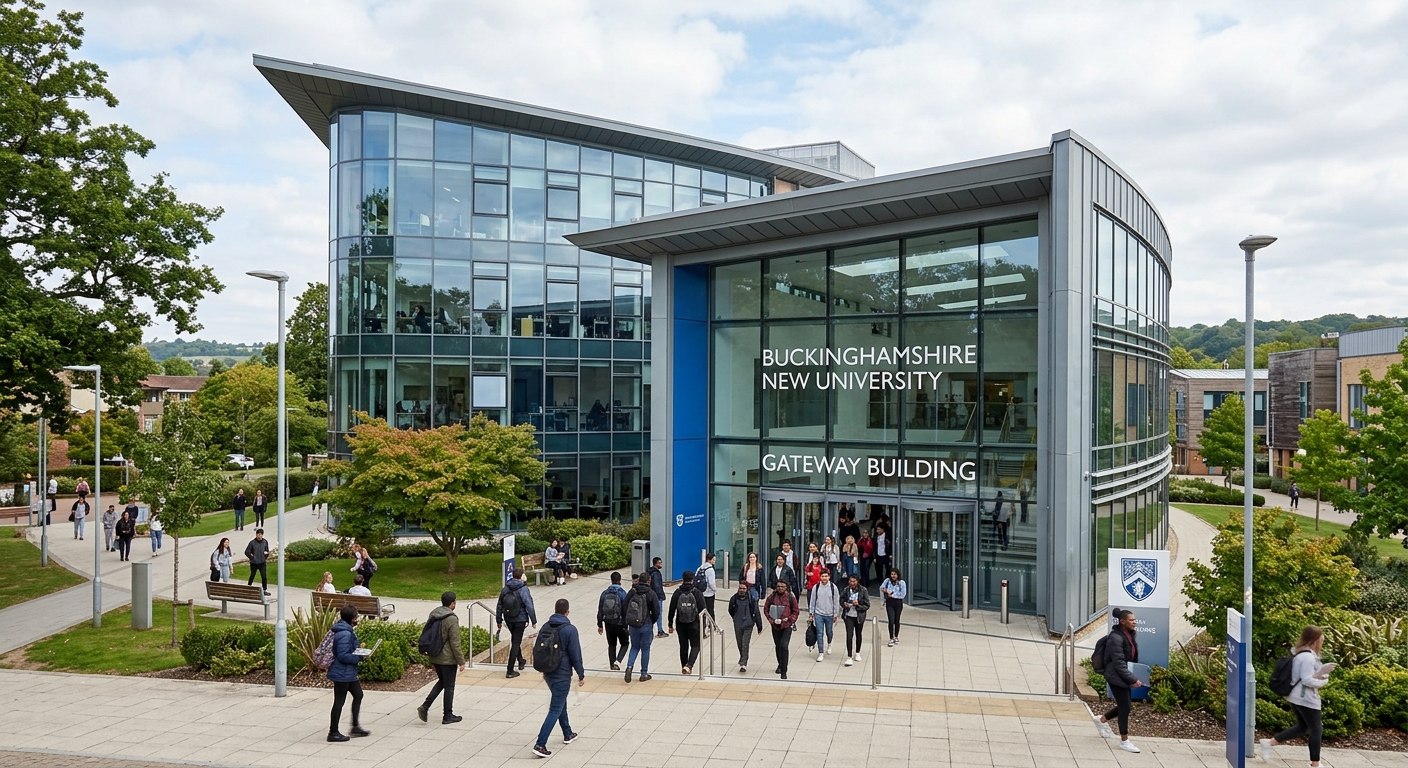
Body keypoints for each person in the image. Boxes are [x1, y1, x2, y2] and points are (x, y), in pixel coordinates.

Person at [1263, 625, 1333, 767]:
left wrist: (1320, 673)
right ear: (1315, 640)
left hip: (1295, 696)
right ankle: (1315, 763)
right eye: (1321, 640)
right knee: (1316, 729)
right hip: (1305, 698)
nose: (1322, 643)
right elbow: (1307, 680)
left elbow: (1305, 676)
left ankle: (1270, 742)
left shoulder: (1300, 653)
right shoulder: (1308, 657)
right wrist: (1323, 680)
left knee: (1302, 727)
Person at [531, 599, 584, 759]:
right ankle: (540, 744)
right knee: (555, 708)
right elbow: (576, 655)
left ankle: (568, 733)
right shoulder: (570, 630)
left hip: (548, 672)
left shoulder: (546, 626)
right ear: (567, 611)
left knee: (560, 702)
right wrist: (581, 674)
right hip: (562, 674)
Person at [1095, 608, 1144, 753]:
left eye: (1135, 620)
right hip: (1115, 676)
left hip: (1122, 675)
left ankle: (1101, 720)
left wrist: (1133, 675)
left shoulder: (1128, 634)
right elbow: (1119, 663)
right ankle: (1124, 741)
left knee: (1125, 707)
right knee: (1124, 708)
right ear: (1122, 621)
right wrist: (1132, 679)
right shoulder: (1116, 638)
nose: (1134, 622)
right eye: (1131, 620)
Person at [417, 591, 466, 725]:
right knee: (449, 686)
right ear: (452, 603)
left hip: (435, 655)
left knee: (442, 682)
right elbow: (455, 643)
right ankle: (447, 715)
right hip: (447, 658)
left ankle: (425, 706)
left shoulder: (434, 613)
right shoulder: (451, 619)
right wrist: (461, 661)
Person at [326, 604, 370, 742]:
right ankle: (333, 732)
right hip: (342, 673)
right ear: (352, 618)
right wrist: (359, 657)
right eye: (356, 617)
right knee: (339, 701)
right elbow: (343, 655)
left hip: (348, 672)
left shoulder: (346, 630)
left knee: (358, 695)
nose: (357, 619)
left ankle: (355, 726)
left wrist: (360, 652)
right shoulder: (345, 633)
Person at [496, 567, 538, 679]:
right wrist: (533, 620)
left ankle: (521, 660)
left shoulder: (506, 588)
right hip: (520, 619)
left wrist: (499, 620)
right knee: (515, 642)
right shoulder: (523, 589)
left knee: (515, 639)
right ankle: (510, 670)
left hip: (508, 618)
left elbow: (499, 604)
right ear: (522, 576)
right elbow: (529, 604)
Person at [623, 572, 658, 683]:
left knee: (634, 647)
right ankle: (644, 673)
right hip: (646, 624)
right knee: (645, 648)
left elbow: (624, 605)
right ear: (648, 581)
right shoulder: (651, 593)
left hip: (633, 624)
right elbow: (656, 611)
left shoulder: (632, 591)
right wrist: (651, 621)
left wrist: (627, 622)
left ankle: (629, 667)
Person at [668, 571, 705, 675]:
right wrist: (703, 625)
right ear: (692, 579)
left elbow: (672, 609)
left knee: (683, 646)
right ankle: (689, 666)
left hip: (681, 624)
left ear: (683, 579)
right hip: (694, 624)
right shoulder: (697, 593)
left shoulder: (677, 592)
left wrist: (670, 624)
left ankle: (684, 666)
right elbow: (703, 610)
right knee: (696, 645)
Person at [764, 581, 799, 679]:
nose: (780, 588)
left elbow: (796, 611)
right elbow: (766, 609)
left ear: (786, 587)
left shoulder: (790, 597)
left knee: (784, 646)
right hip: (775, 625)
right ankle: (780, 664)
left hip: (786, 625)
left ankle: (784, 670)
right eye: (778, 586)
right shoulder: (771, 597)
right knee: (778, 645)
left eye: (782, 586)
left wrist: (790, 620)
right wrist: (771, 620)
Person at [596, 572, 630, 671]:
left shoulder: (604, 593)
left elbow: (600, 610)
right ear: (620, 580)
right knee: (625, 643)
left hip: (608, 623)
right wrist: (626, 625)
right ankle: (618, 661)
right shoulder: (622, 593)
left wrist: (600, 624)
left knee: (611, 644)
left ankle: (612, 664)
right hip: (619, 623)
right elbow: (625, 610)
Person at [727, 581, 763, 672]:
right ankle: (742, 657)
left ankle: (743, 663)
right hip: (738, 624)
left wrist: (759, 626)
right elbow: (731, 610)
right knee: (739, 643)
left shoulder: (751, 600)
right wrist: (735, 618)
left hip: (748, 624)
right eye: (740, 588)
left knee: (745, 644)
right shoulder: (734, 599)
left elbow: (756, 612)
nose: (742, 590)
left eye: (744, 588)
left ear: (747, 589)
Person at [809, 569, 841, 662]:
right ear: (820, 577)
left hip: (830, 614)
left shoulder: (833, 587)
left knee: (829, 632)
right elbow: (812, 600)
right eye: (822, 576)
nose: (824, 578)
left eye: (826, 576)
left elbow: (836, 601)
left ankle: (829, 643)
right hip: (819, 613)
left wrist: (836, 614)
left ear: (829, 577)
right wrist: (811, 613)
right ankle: (821, 653)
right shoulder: (816, 587)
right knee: (819, 633)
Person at [841, 574, 870, 666]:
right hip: (848, 615)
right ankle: (849, 656)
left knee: (858, 634)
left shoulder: (863, 590)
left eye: (854, 581)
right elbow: (841, 600)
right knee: (849, 635)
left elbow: (867, 605)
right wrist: (844, 604)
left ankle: (857, 652)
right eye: (850, 581)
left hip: (859, 616)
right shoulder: (846, 590)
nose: (852, 583)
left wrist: (858, 605)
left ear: (857, 582)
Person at [881, 568, 907, 645]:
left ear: (897, 575)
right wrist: (884, 590)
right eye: (892, 574)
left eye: (895, 574)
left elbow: (903, 594)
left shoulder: (902, 583)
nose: (893, 576)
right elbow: (881, 587)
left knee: (896, 620)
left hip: (898, 603)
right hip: (889, 603)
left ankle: (896, 636)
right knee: (891, 620)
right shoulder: (887, 581)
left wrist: (893, 595)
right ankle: (891, 638)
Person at [647, 557, 668, 638]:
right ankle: (660, 630)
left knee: (650, 613)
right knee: (658, 613)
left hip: (650, 595)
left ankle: (650, 630)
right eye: (659, 563)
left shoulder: (649, 571)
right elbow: (657, 586)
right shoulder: (656, 573)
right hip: (657, 596)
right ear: (655, 564)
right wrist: (660, 595)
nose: (661, 564)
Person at [245, 529, 270, 594]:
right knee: (252, 575)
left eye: (260, 534)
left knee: (264, 576)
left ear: (262, 535)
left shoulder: (265, 542)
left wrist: (266, 555)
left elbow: (267, 550)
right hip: (254, 563)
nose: (259, 536)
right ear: (256, 535)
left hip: (262, 562)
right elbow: (247, 552)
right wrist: (251, 557)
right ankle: (249, 587)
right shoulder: (252, 543)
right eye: (258, 534)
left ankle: (264, 590)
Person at [695, 552, 718, 622]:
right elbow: (711, 583)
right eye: (714, 559)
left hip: (700, 593)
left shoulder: (700, 567)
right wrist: (715, 590)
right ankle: (712, 625)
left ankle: (702, 624)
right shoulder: (710, 569)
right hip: (709, 593)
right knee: (710, 611)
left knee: (701, 610)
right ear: (710, 560)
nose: (714, 561)